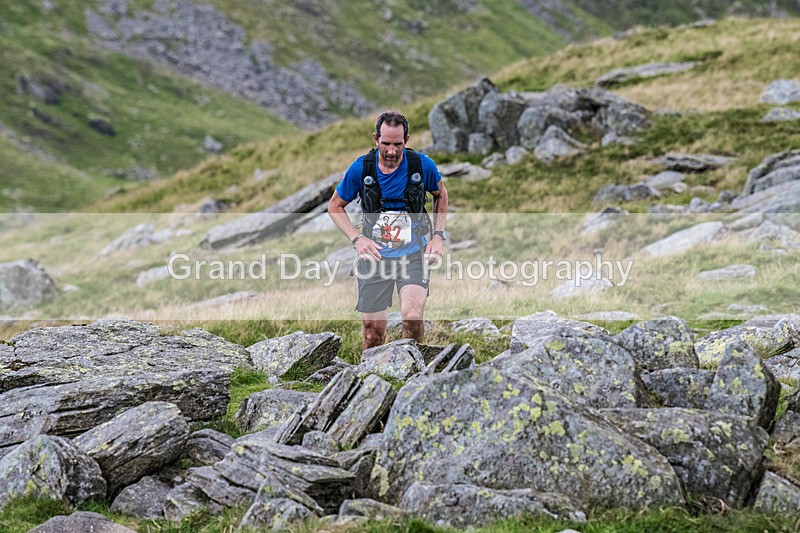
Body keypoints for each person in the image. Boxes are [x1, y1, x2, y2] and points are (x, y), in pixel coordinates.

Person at [327, 111, 448, 350]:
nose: (392, 151)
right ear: (375, 139)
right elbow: (334, 206)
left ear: (407, 139)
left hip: (413, 253)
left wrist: (437, 235)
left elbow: (440, 195)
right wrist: (357, 239)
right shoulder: (361, 168)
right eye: (386, 144)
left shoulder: (422, 165)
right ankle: (371, 381)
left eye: (398, 144)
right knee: (373, 333)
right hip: (375, 257)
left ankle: (412, 379)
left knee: (411, 320)